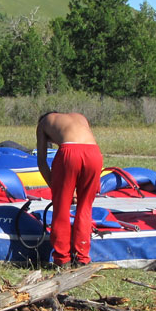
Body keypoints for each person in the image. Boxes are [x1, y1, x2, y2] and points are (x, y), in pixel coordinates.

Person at [36, 111, 103, 267]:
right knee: (85, 207)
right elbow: (85, 145)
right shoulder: (80, 117)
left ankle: (62, 259)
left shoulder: (44, 122)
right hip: (94, 153)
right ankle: (82, 258)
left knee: (61, 208)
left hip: (69, 153)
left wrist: (56, 189)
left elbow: (42, 162)